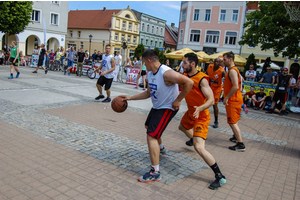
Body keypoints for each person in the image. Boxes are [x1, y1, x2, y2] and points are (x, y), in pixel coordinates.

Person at [119, 49, 193, 184]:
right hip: (158, 106)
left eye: (143, 62)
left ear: (148, 61)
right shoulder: (150, 73)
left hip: (168, 108)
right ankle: (161, 148)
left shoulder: (167, 73)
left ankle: (155, 172)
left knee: (151, 135)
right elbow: (148, 93)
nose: (143, 65)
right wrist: (130, 97)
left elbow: (189, 83)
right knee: (148, 126)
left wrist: (178, 100)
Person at [179, 53, 226, 190]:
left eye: (185, 63)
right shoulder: (185, 75)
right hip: (190, 112)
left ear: (193, 64)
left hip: (201, 116)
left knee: (199, 147)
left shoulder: (202, 79)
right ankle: (194, 138)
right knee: (182, 127)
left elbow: (211, 100)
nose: (183, 65)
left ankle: (220, 176)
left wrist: (200, 108)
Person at [222, 52, 245, 151]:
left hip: (233, 100)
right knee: (234, 120)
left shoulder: (232, 71)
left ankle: (240, 144)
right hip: (236, 99)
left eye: (225, 60)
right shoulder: (234, 70)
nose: (223, 61)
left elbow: (236, 86)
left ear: (230, 60)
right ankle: (236, 136)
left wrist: (226, 97)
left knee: (232, 122)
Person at [206, 57, 225, 128]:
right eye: (215, 61)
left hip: (217, 89)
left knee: (214, 104)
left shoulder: (221, 70)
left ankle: (216, 121)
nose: (216, 63)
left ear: (220, 63)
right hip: (210, 87)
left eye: (217, 62)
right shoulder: (210, 67)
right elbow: (206, 74)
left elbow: (226, 75)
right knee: (205, 101)